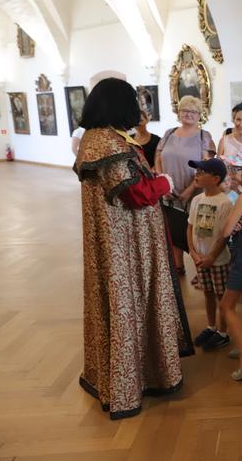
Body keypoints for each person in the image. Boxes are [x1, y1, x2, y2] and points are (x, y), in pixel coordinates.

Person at [73, 78, 193, 419]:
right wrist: (164, 183)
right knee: (128, 302)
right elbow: (136, 194)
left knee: (118, 303)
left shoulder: (96, 138)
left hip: (117, 241)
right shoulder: (109, 144)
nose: (137, 109)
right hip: (125, 247)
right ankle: (132, 383)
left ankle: (129, 373)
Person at [203, 148, 242, 380]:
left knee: (226, 307)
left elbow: (226, 230)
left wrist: (231, 224)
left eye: (235, 169)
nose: (230, 173)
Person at [155, 95, 216, 275]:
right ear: (178, 112)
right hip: (168, 190)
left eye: (193, 111)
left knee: (199, 232)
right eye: (184, 110)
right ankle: (178, 266)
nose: (188, 114)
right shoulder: (169, 133)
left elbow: (207, 166)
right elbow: (158, 157)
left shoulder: (204, 136)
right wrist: (163, 181)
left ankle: (202, 271)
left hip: (195, 191)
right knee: (174, 228)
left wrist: (190, 190)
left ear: (199, 115)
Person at [187, 158, 233, 351]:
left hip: (218, 259)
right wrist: (192, 251)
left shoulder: (225, 202)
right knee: (207, 292)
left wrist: (212, 256)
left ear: (215, 179)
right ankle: (211, 326)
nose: (196, 175)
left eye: (201, 172)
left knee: (221, 295)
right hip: (200, 257)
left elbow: (224, 235)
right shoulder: (196, 200)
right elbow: (190, 227)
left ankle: (223, 332)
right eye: (196, 171)